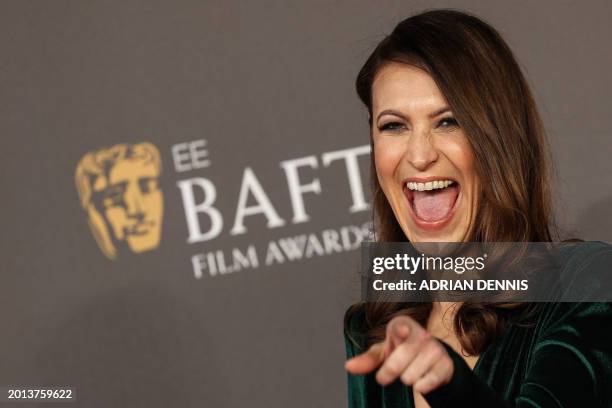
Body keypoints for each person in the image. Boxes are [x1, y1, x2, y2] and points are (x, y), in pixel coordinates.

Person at [343, 9, 612, 408]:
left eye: (448, 121)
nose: (419, 155)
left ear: (497, 140)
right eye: (394, 126)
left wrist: (451, 385)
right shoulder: (370, 327)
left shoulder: (584, 284)